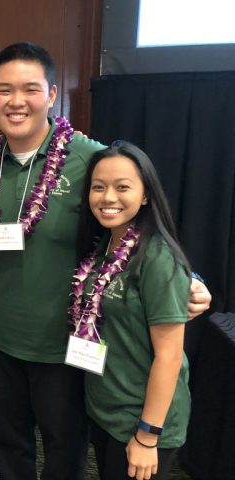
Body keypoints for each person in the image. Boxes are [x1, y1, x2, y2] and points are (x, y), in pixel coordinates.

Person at [0, 42, 211, 480]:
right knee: (6, 446)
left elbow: (135, 218)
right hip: (1, 340)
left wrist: (188, 278)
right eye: (4, 90)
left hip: (67, 347)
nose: (16, 101)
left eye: (30, 88)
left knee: (65, 453)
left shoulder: (88, 159)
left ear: (53, 93)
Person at [71, 141, 191, 480]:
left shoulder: (157, 257)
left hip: (143, 421)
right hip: (107, 409)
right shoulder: (102, 246)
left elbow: (169, 355)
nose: (108, 197)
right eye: (99, 187)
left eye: (123, 187)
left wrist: (148, 435)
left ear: (146, 195)